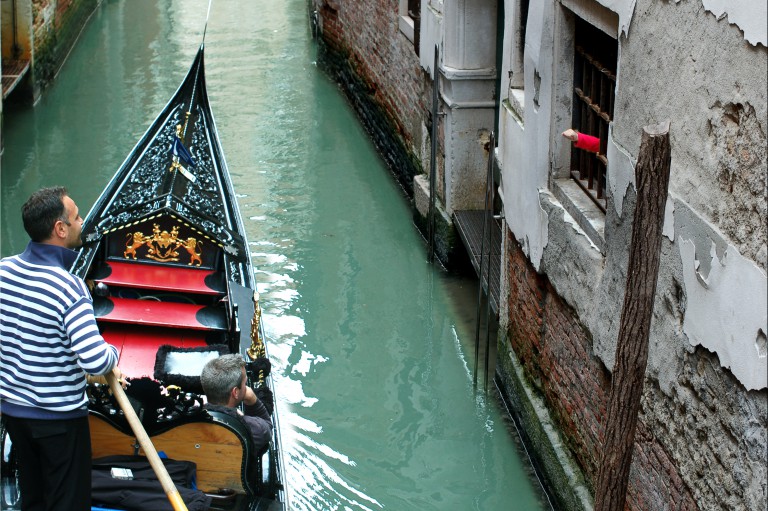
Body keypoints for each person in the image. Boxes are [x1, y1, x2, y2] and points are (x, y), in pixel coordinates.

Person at [0, 186, 120, 511]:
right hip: (59, 421)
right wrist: (114, 354)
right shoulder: (69, 287)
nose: (83, 222)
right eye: (77, 216)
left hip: (14, 414)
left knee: (34, 500)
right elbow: (95, 360)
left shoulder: (3, 271)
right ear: (60, 229)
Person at [200, 354, 273, 453]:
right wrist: (252, 400)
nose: (246, 387)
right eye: (244, 383)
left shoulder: (186, 420)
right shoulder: (253, 429)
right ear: (235, 392)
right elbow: (267, 426)